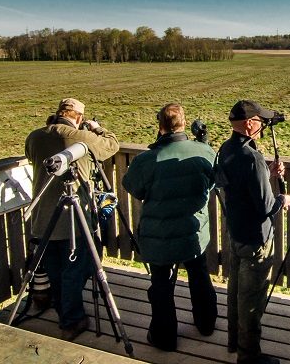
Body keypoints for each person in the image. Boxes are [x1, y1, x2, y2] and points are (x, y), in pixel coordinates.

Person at [123, 103, 218, 351]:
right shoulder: (204, 151)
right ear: (184, 123)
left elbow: (133, 187)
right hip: (193, 232)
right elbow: (211, 183)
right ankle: (206, 324)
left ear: (160, 126)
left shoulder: (146, 160)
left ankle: (165, 338)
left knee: (162, 286)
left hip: (159, 236)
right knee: (199, 275)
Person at [24, 98, 119, 341]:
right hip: (73, 219)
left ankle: (63, 311)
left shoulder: (34, 137)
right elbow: (112, 145)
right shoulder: (79, 137)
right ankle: (71, 320)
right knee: (75, 269)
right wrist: (96, 128)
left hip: (44, 218)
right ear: (77, 117)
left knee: (56, 270)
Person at [218, 100, 290, 364]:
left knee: (235, 290)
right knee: (251, 299)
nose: (261, 127)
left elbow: (237, 186)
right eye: (259, 122)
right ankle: (249, 357)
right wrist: (283, 199)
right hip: (256, 239)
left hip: (236, 232)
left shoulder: (226, 150)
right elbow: (265, 207)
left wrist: (266, 173)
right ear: (250, 124)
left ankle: (233, 341)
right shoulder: (252, 157)